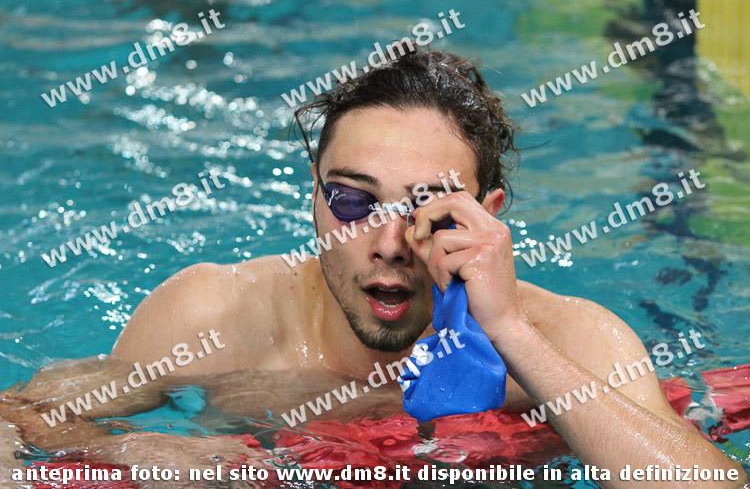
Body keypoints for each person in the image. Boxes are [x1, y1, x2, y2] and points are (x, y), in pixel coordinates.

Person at [1, 46, 746, 488]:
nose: (388, 242)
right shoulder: (214, 317)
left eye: (429, 207)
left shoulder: (572, 340)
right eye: (353, 201)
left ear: (489, 215)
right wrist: (121, 453)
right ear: (315, 199)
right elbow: (15, 422)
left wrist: (512, 332)